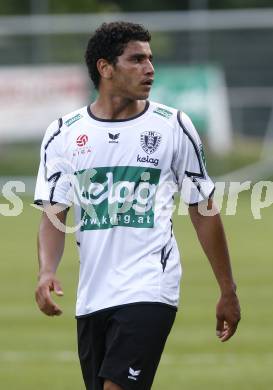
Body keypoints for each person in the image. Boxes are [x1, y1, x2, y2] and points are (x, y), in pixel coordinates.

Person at [34, 21, 241, 390]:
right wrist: (46, 270)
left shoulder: (173, 125)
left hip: (151, 286)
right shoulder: (63, 132)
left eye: (150, 58)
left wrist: (228, 290)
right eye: (137, 59)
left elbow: (203, 209)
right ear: (105, 67)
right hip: (93, 295)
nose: (150, 68)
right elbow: (55, 211)